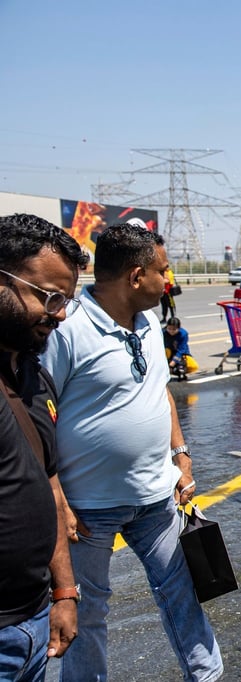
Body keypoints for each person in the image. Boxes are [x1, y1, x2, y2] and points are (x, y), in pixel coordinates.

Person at [39, 222, 223, 681]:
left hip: (157, 498)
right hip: (88, 511)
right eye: (164, 271)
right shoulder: (69, 331)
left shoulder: (150, 322)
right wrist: (56, 498)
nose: (170, 282)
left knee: (184, 593)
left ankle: (208, 676)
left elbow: (160, 391)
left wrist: (180, 455)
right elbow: (38, 415)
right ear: (136, 276)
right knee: (89, 615)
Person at [0, 214, 87, 681]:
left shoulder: (35, 376)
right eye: (48, 297)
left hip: (33, 624)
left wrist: (64, 593)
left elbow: (49, 487)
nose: (59, 313)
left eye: (66, 300)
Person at [163, 317, 195, 381]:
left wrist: (172, 364)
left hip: (180, 353)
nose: (171, 331)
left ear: (179, 328)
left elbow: (181, 350)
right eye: (169, 329)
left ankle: (180, 371)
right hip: (167, 351)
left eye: (174, 329)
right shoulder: (162, 333)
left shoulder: (183, 334)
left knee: (190, 366)